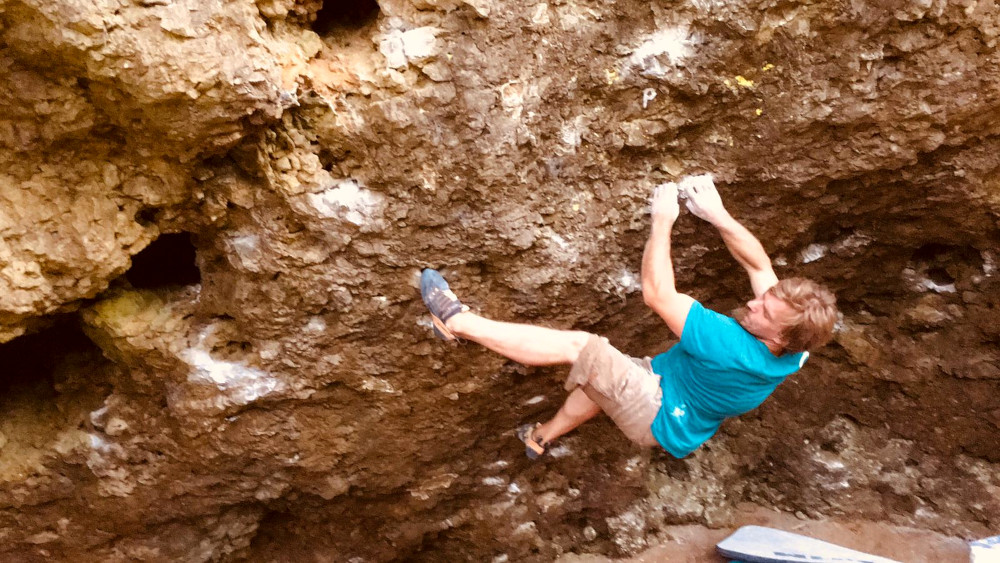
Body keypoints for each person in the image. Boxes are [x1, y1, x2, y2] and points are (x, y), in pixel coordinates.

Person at [419, 174, 838, 459]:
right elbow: (759, 266)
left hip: (654, 409)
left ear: (778, 337)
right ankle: (540, 437)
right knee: (600, 379)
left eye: (765, 311)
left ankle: (455, 321)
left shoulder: (728, 344)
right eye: (766, 300)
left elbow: (658, 295)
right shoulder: (796, 348)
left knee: (582, 347)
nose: (754, 303)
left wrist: (662, 222)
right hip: (677, 416)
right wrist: (717, 215)